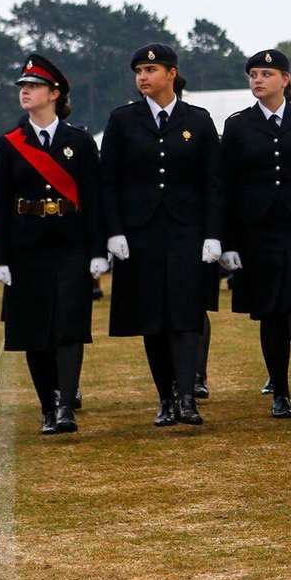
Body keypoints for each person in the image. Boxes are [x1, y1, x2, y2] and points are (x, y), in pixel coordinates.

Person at [100, 44, 224, 426]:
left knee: (186, 315)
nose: (143, 77)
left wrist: (213, 233)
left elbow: (214, 183)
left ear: (171, 73)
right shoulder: (122, 120)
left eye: (150, 69)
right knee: (151, 317)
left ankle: (188, 397)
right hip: (141, 234)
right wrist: (114, 231)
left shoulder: (198, 120)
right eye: (138, 70)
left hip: (187, 231)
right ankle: (166, 398)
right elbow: (108, 183)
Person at [0, 54, 107, 435]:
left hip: (70, 243)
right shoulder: (11, 143)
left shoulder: (80, 141)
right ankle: (47, 403)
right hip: (26, 247)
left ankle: (65, 406)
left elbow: (94, 199)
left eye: (34, 86)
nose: (26, 92)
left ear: (55, 93)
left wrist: (97, 250)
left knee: (70, 325)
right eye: (23, 87)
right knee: (35, 329)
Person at [219, 50, 291, 420]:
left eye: (266, 74)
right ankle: (280, 392)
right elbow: (227, 186)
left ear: (285, 80)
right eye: (253, 74)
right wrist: (230, 242)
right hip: (258, 229)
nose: (258, 80)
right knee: (270, 308)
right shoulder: (238, 125)